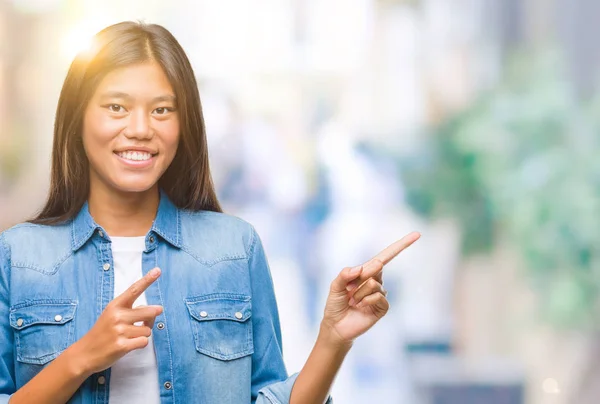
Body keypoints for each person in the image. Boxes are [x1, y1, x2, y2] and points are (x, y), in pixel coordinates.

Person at [0, 21, 420, 404]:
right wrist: (81, 359)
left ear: (185, 126)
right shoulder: (18, 257)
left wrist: (334, 339)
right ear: (77, 118)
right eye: (117, 107)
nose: (141, 128)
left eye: (162, 109)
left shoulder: (234, 247)